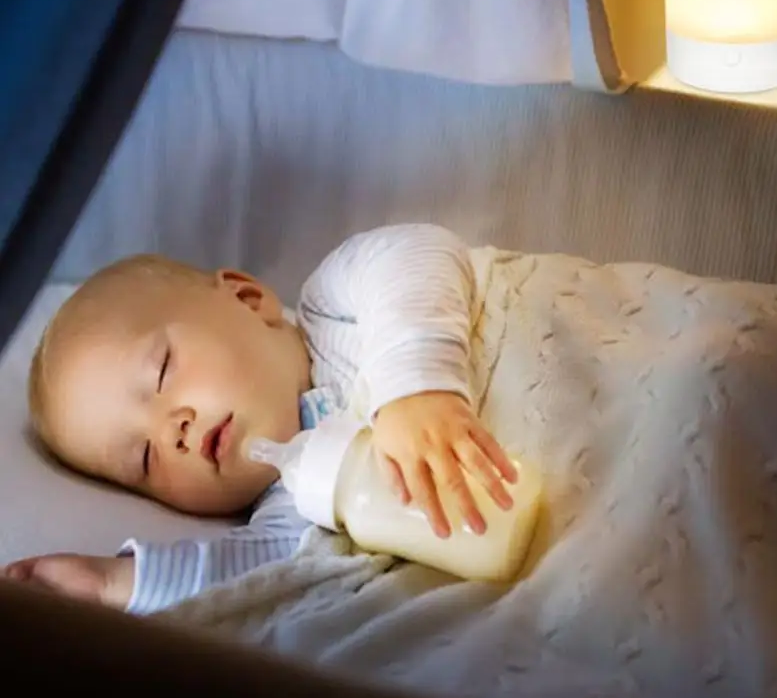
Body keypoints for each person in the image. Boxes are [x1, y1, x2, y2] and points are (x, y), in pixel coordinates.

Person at [0, 223, 518, 614]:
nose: (172, 430)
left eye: (162, 372)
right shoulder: (289, 509)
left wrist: (416, 387)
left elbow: (417, 251)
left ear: (247, 299)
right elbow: (249, 582)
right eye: (145, 457)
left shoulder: (334, 310)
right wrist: (112, 585)